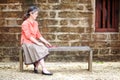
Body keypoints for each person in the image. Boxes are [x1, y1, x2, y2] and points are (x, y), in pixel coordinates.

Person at [21, 6, 53, 75]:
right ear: (31, 13)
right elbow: (28, 36)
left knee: (44, 48)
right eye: (35, 14)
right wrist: (38, 43)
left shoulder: (35, 23)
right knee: (38, 48)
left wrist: (46, 42)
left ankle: (36, 66)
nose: (37, 15)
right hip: (27, 43)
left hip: (33, 41)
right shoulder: (25, 23)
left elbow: (38, 35)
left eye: (37, 14)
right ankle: (44, 69)